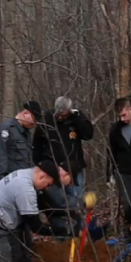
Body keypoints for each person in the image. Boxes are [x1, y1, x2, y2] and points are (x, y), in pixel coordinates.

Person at [34, 96, 94, 236]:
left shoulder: (76, 117)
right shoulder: (46, 120)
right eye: (58, 113)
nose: (60, 116)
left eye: (63, 114)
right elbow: (36, 147)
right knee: (56, 206)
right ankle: (62, 236)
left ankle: (79, 236)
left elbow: (88, 134)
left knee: (76, 205)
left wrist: (77, 118)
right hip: (52, 172)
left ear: (69, 111)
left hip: (74, 170)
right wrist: (42, 166)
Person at [0, 101, 43, 181]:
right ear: (26, 114)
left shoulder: (25, 133)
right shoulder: (6, 129)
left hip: (24, 179)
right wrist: (2, 180)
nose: (34, 124)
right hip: (10, 180)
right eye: (33, 120)